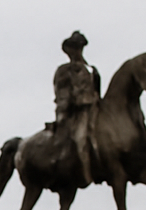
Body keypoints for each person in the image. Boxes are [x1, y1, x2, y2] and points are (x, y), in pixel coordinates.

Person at [53, 31, 102, 184]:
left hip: (95, 109)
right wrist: (71, 104)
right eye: (74, 48)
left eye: (79, 48)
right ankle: (86, 173)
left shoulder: (91, 70)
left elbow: (97, 91)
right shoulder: (64, 71)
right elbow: (61, 93)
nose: (77, 51)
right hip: (77, 112)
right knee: (81, 139)